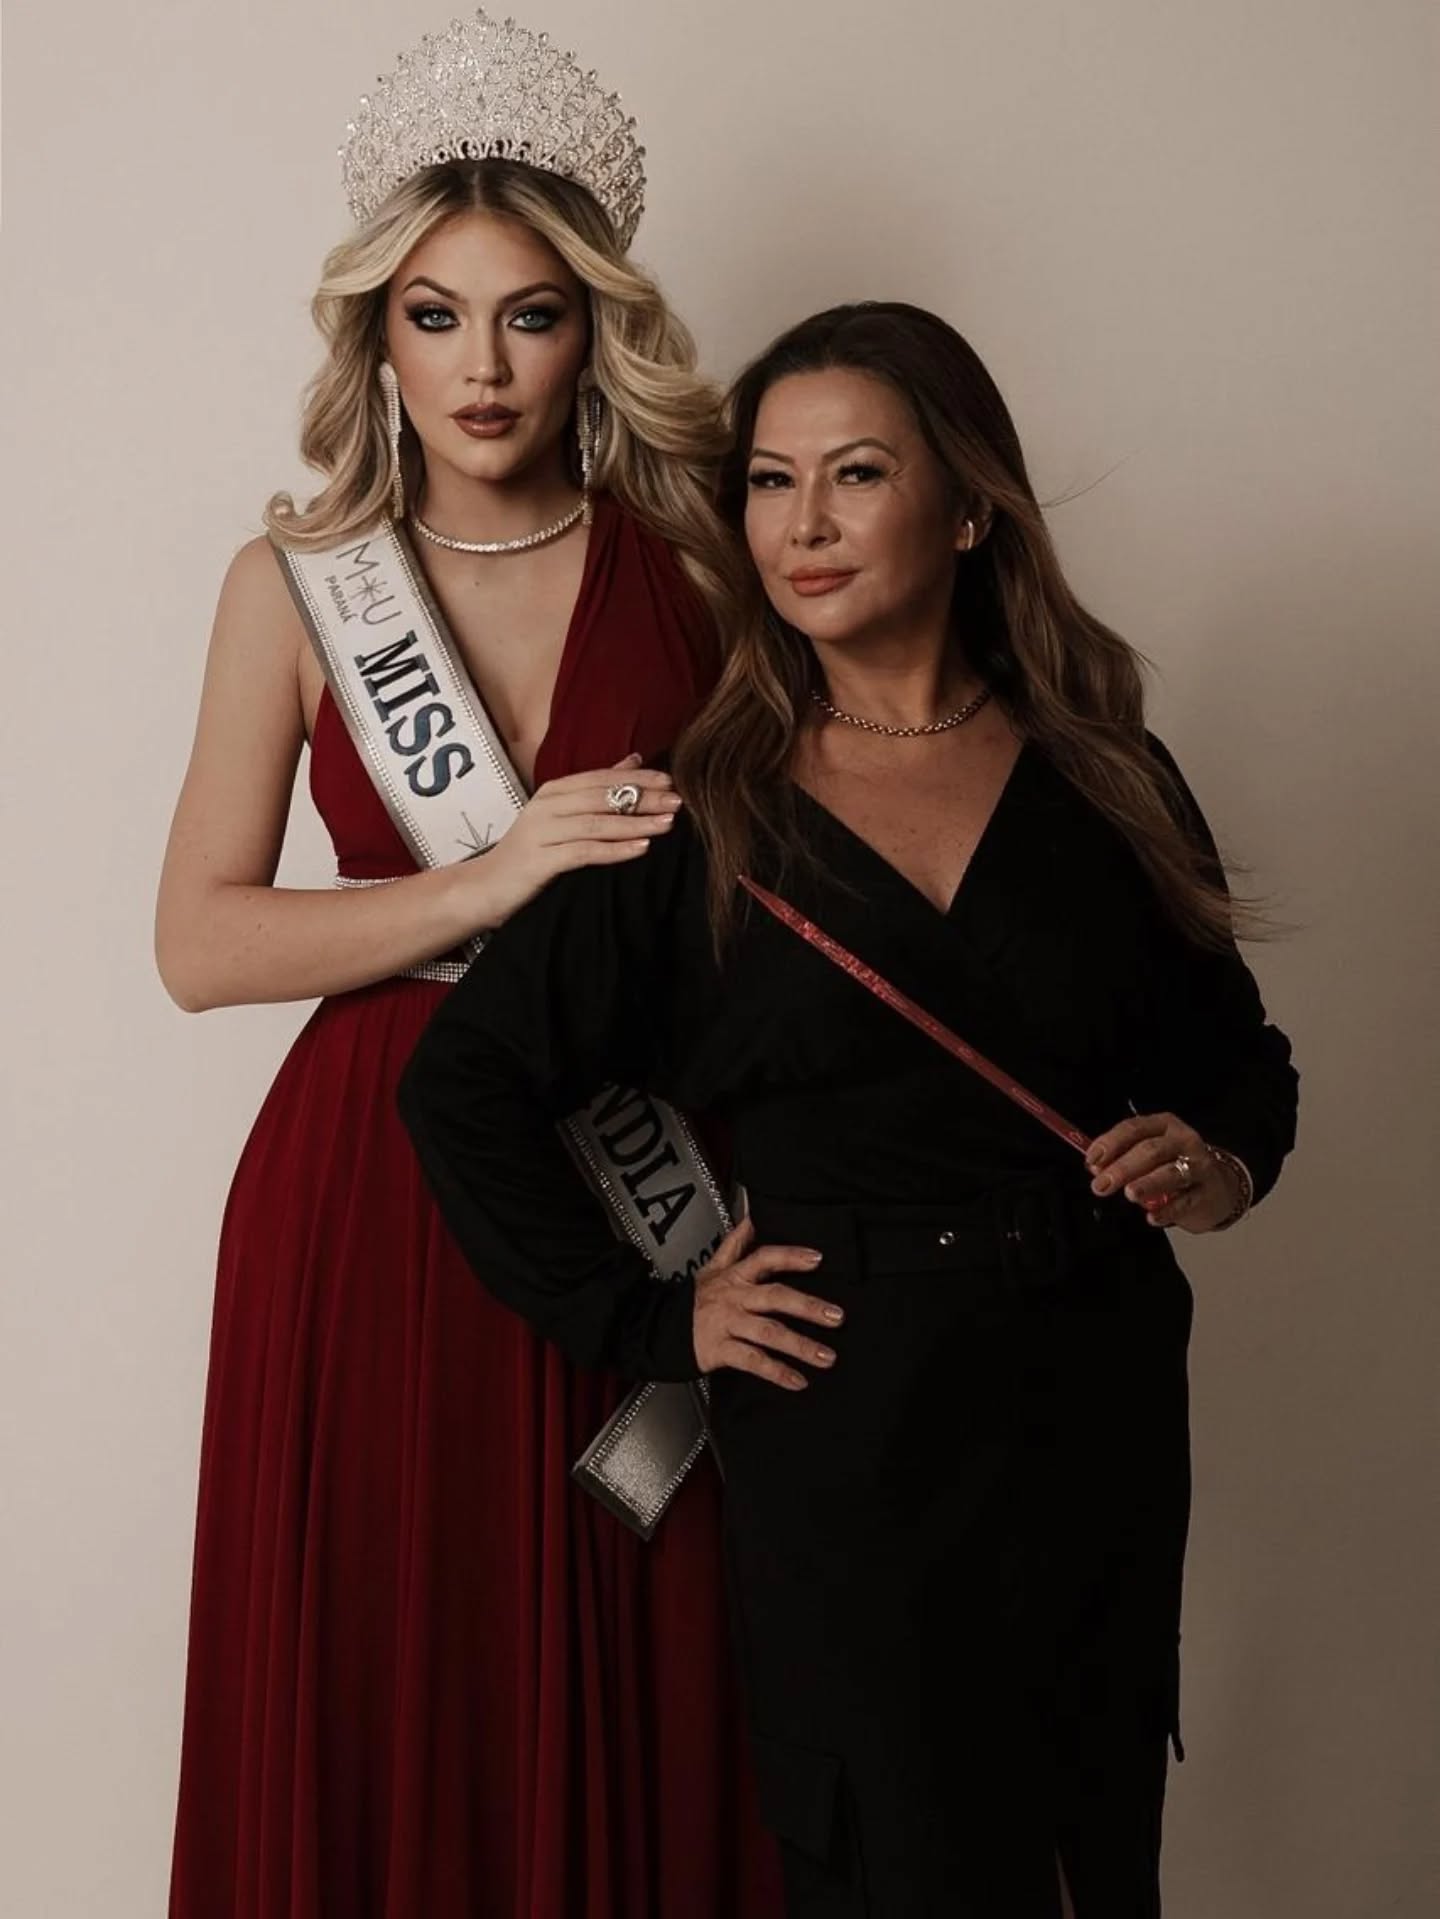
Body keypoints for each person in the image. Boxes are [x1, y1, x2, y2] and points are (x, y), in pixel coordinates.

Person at [397, 301, 1301, 1918]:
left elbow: (1241, 1062)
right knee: (891, 1862)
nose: (802, 524)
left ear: (966, 510)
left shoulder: (1108, 776)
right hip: (845, 1417)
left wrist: (1219, 1163)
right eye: (769, 481)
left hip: (1091, 1394)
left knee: (1095, 1859)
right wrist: (651, 1319)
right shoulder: (700, 810)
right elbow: (462, 1084)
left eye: (857, 474)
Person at [155, 13, 781, 1917]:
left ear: (595, 332)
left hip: (628, 1171)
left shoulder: (704, 566)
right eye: (436, 317)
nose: (483, 368)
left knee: (654, 1627)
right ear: (378, 335)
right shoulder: (296, 584)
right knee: (388, 1652)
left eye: (531, 317)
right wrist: (491, 880)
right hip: (370, 1191)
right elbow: (201, 940)